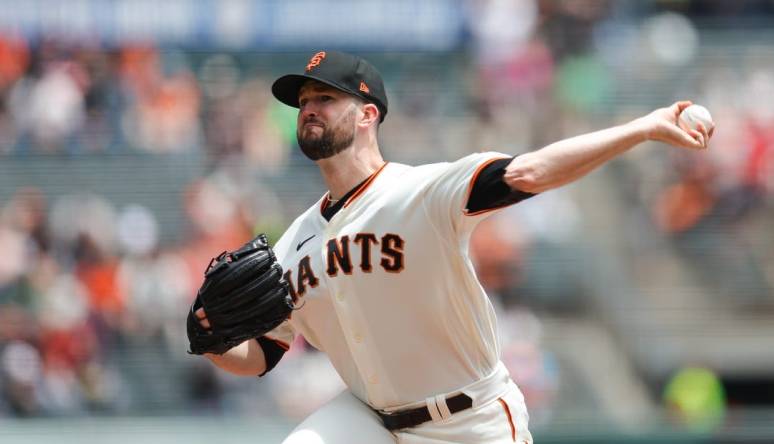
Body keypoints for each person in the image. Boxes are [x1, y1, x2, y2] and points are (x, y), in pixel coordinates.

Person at [194, 50, 713, 443]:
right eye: (304, 101)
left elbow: (529, 170)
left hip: (473, 421)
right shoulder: (294, 244)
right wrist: (214, 342)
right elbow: (262, 354)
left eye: (325, 98)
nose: (309, 109)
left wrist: (643, 129)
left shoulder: (424, 191)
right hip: (370, 421)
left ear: (368, 114)